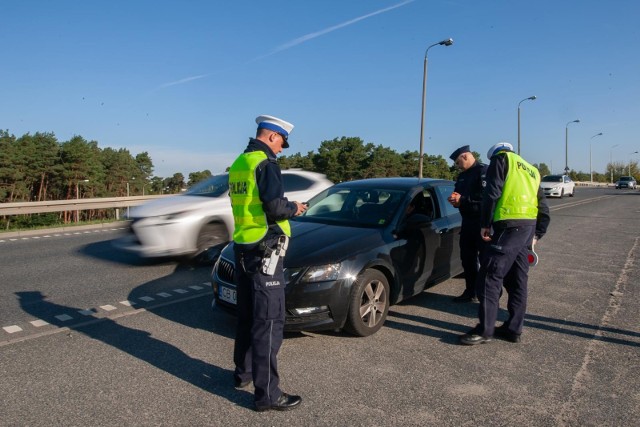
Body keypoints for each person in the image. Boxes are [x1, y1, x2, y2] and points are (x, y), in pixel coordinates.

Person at [229, 115, 307, 411]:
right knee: (270, 322)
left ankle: (243, 373)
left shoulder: (240, 162)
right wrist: (294, 208)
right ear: (273, 136)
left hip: (243, 247)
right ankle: (268, 396)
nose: (282, 150)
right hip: (266, 250)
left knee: (248, 316)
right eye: (282, 143)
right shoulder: (266, 162)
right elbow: (274, 207)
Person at [460, 142, 550, 345]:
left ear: (494, 155)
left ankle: (485, 330)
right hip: (527, 228)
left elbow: (492, 193)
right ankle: (513, 329)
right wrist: (538, 233)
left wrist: (485, 224)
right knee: (518, 279)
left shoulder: (501, 160)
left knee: (488, 276)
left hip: (509, 227)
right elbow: (543, 206)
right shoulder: (532, 170)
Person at [447, 145, 488, 303]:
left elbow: (486, 200)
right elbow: (458, 195)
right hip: (468, 223)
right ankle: (471, 291)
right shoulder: (463, 176)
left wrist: (462, 200)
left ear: (464, 157)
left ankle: (488, 295)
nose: (457, 166)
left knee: (485, 261)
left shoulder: (483, 171)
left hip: (483, 223)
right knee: (467, 259)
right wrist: (455, 201)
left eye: (458, 162)